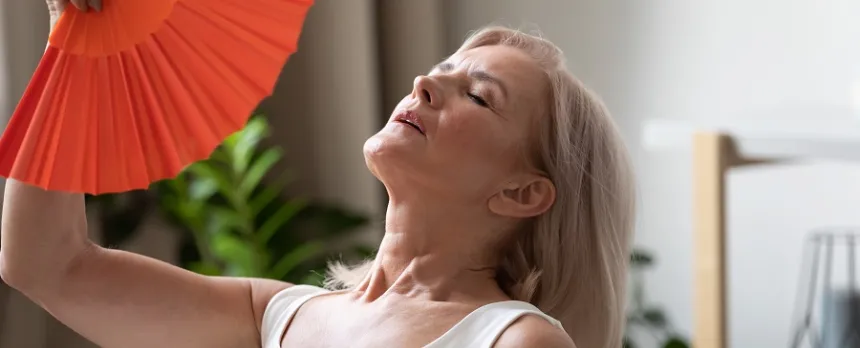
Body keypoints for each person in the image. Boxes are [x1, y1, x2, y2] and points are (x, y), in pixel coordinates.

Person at [0, 0, 635, 347]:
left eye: (478, 95)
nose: (425, 82)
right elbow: (46, 263)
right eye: (440, 68)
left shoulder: (514, 343)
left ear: (522, 192)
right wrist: (74, 39)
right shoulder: (277, 316)